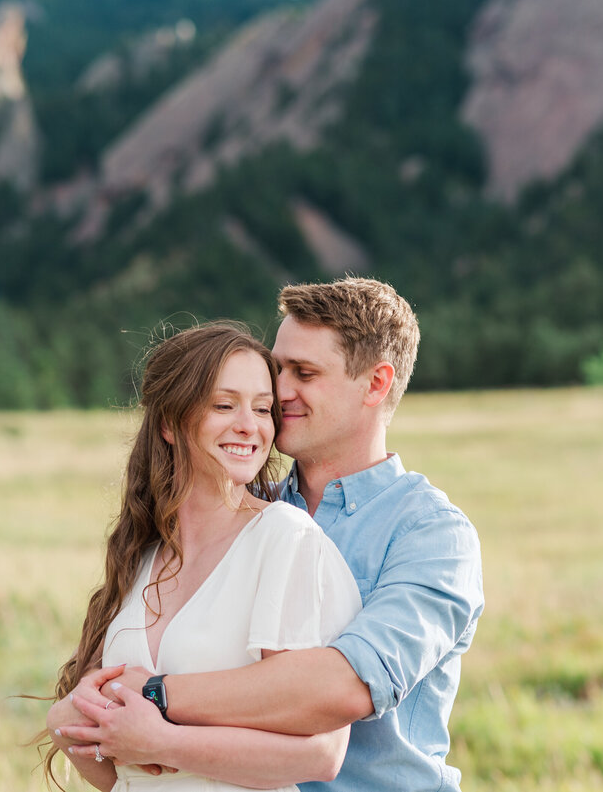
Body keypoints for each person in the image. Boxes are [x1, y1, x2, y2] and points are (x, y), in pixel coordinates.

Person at [63, 278, 485, 792]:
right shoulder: (233, 511)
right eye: (278, 367)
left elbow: (343, 687)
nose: (280, 391)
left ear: (375, 384)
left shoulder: (432, 535)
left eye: (304, 373)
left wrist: (154, 696)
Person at [44, 321, 364, 791]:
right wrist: (62, 718)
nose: (249, 425)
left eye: (262, 408)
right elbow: (109, 760)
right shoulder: (144, 554)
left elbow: (320, 755)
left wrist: (162, 743)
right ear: (170, 424)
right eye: (223, 405)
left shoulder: (284, 538)